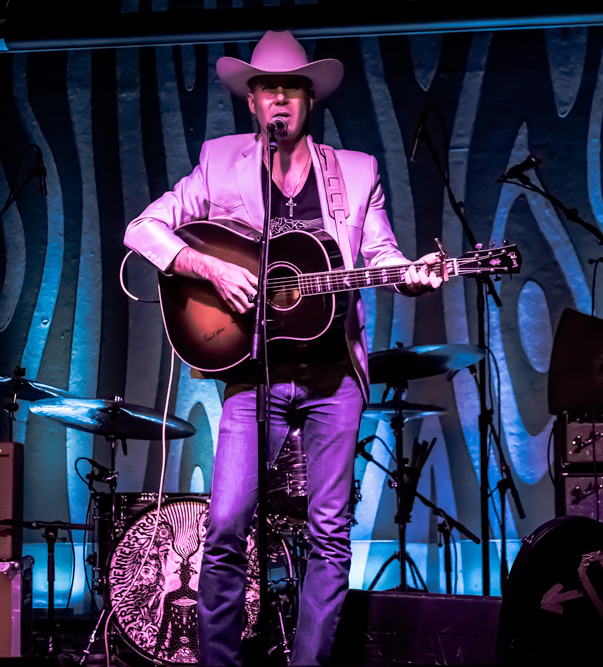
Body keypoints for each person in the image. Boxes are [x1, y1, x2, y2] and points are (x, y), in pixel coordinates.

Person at [124, 29, 442, 666]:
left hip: (334, 378)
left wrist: (409, 274)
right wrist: (208, 268)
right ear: (251, 101)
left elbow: (379, 254)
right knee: (225, 526)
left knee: (330, 535)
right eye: (267, 89)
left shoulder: (356, 172)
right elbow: (143, 229)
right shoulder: (220, 162)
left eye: (291, 89)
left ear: (309, 100)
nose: (279, 100)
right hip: (253, 373)